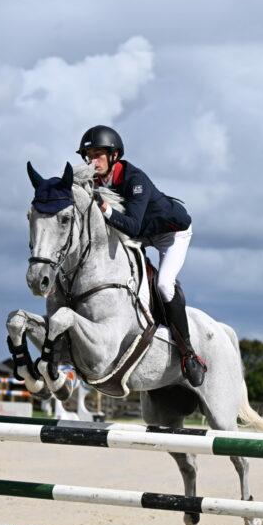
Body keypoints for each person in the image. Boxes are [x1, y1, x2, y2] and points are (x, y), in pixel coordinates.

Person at [76, 125, 207, 387]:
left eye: (99, 154)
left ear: (114, 155)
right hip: (141, 235)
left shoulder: (135, 180)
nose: (93, 161)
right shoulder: (95, 181)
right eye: (88, 155)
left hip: (171, 234)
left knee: (163, 284)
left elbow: (133, 225)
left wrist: (103, 207)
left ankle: (188, 353)